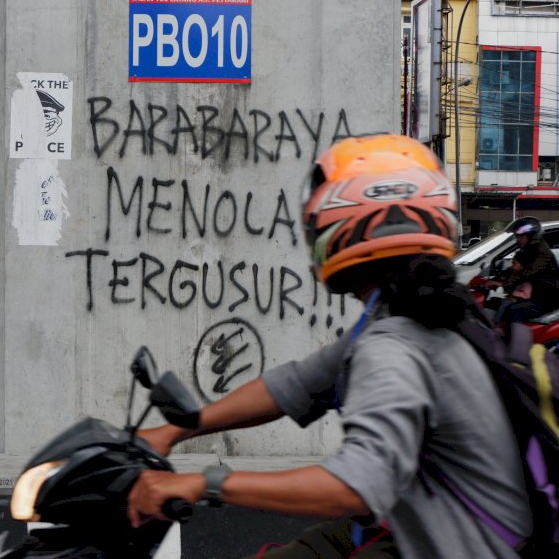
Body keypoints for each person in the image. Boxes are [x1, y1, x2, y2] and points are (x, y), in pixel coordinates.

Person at [127, 135, 531, 558]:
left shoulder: (394, 347)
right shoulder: (420, 314)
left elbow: (355, 486)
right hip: (422, 524)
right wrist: (175, 430)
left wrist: (200, 482)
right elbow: (297, 385)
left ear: (340, 226)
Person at [488, 217, 559, 325]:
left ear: (531, 236)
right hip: (533, 295)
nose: (518, 239)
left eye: (521, 236)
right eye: (517, 236)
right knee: (494, 303)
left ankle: (516, 341)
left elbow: (526, 273)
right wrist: (494, 279)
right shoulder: (527, 250)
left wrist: (502, 283)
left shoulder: (542, 254)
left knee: (515, 310)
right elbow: (513, 268)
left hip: (546, 299)